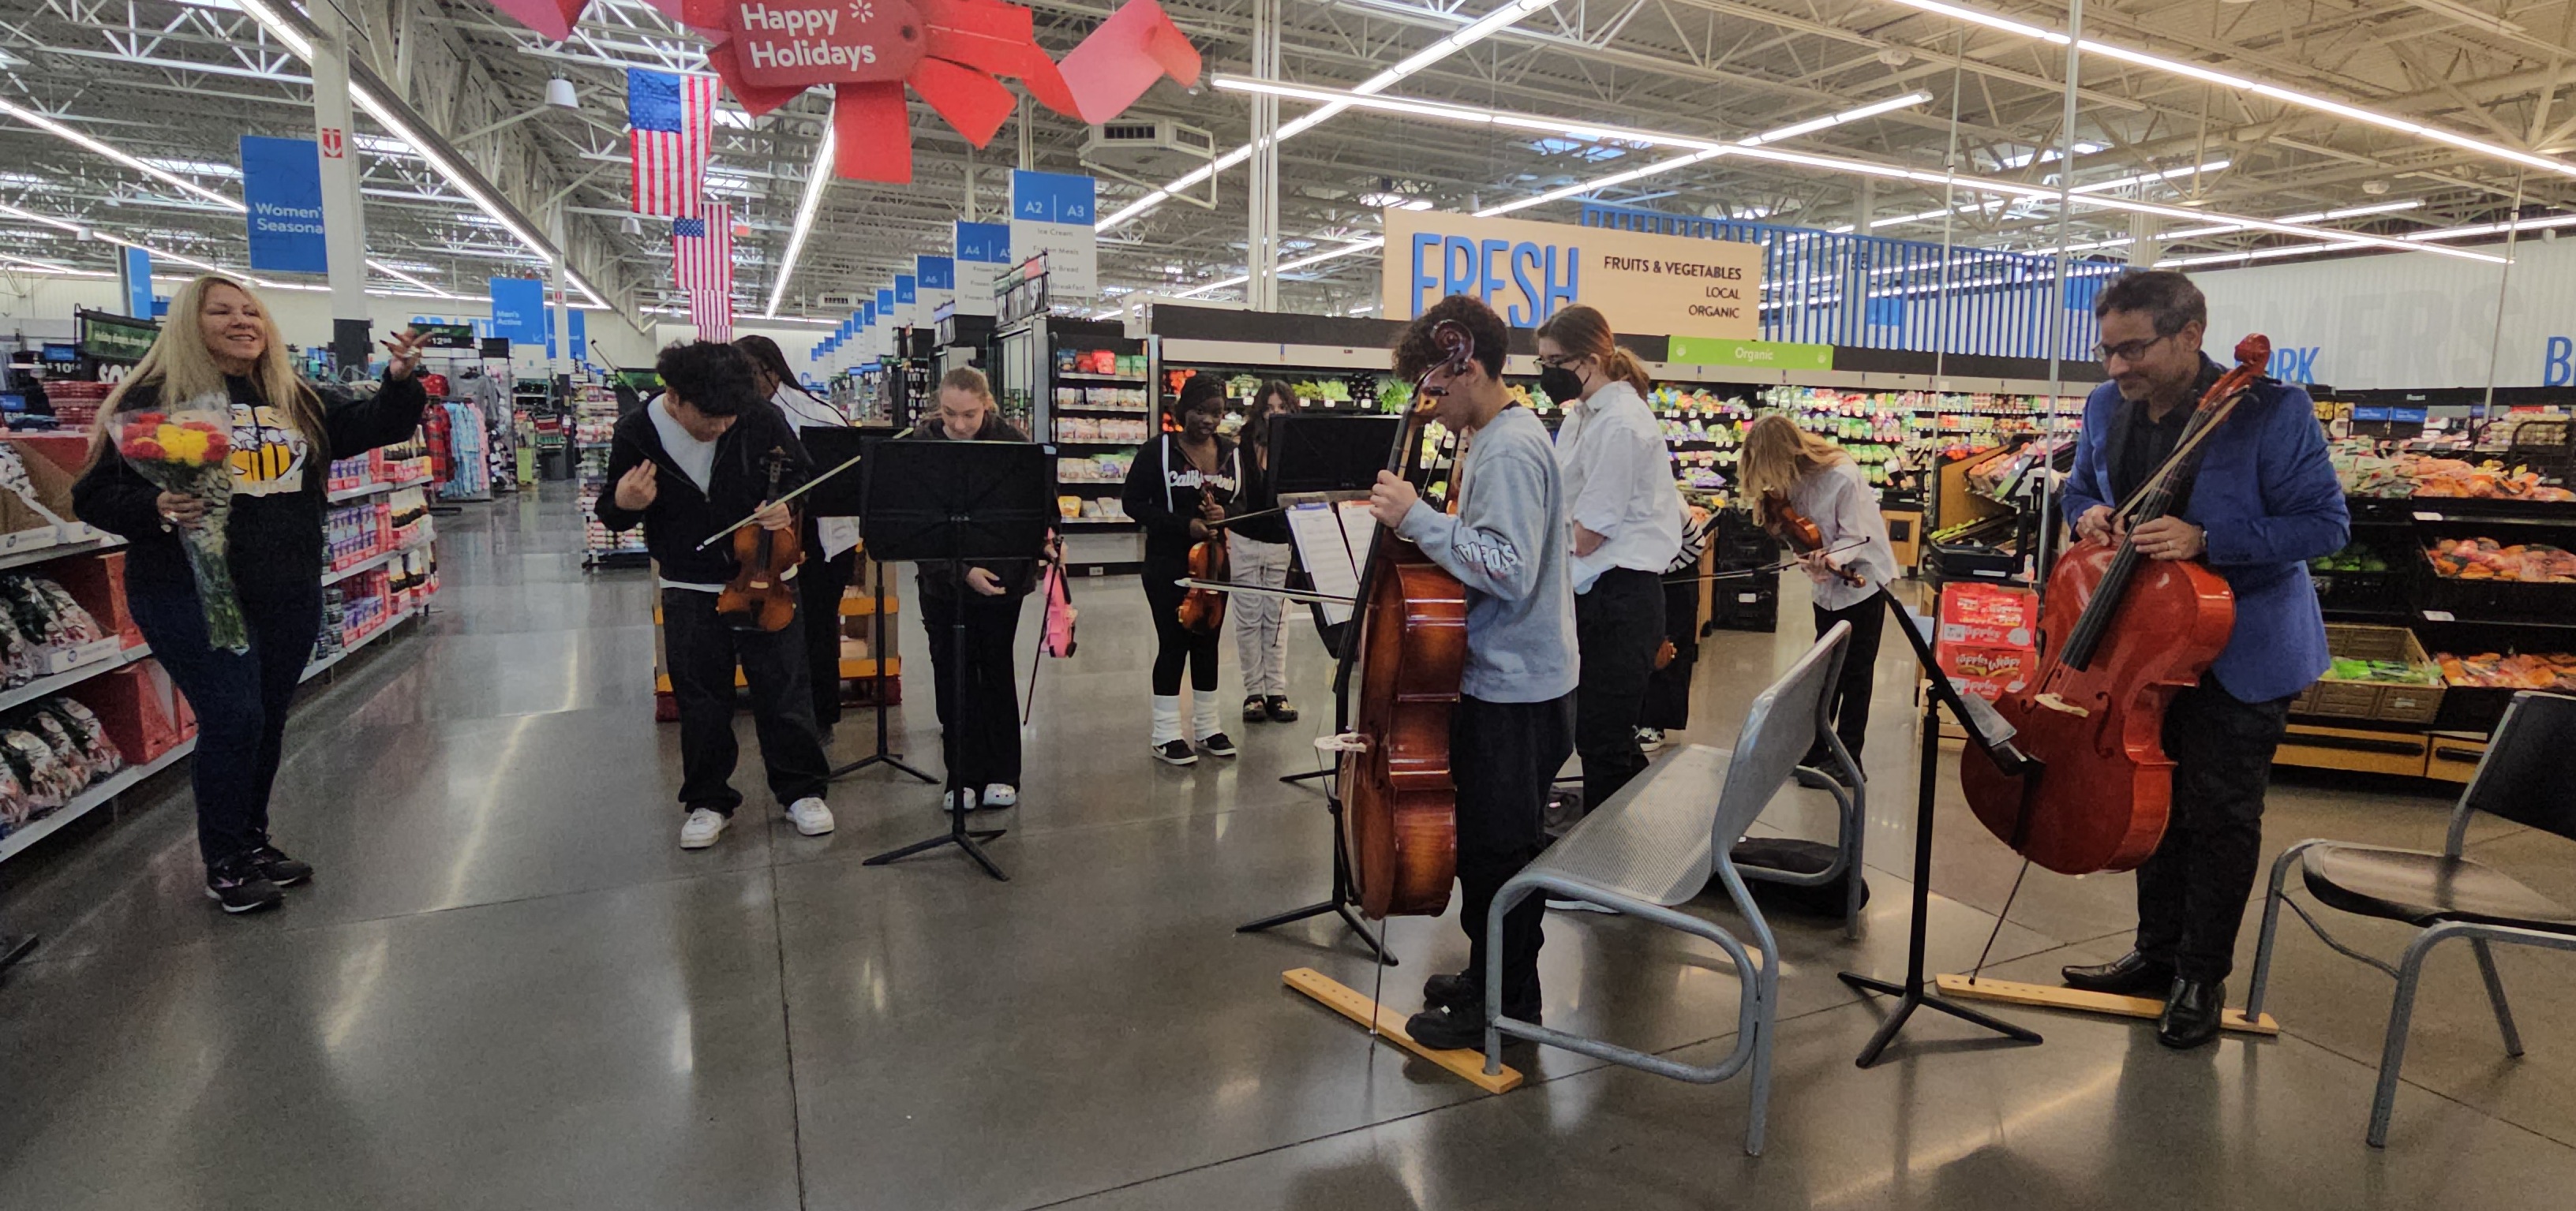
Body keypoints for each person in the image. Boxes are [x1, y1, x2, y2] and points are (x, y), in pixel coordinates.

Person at [2053, 270, 2347, 1049]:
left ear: (2190, 335)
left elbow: (2325, 525)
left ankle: (2200, 975)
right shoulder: (2105, 405)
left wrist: (2207, 541)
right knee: (2151, 797)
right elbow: (2077, 486)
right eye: (2106, 350)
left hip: (2240, 646)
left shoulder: (2271, 410)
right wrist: (2087, 514)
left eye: (2134, 348)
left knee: (2218, 814)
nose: (2117, 368)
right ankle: (2156, 954)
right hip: (2144, 644)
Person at [70, 274, 430, 914]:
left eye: (251, 312)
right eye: (221, 312)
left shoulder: (293, 398)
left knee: (263, 718)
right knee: (234, 715)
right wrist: (155, 504)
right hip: (196, 590)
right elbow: (93, 494)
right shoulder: (163, 400)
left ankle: (252, 842)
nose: (242, 322)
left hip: (285, 586)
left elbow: (374, 423)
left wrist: (401, 381)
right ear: (190, 323)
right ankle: (225, 861)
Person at [1366, 295, 1578, 1052]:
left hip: (1516, 689)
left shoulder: (1512, 448)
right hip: (1508, 677)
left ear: (1472, 367)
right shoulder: (1491, 435)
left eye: (1436, 387)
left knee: (1501, 852)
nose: (1431, 402)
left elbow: (1509, 570)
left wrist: (1416, 516)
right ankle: (1492, 974)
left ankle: (1508, 1004)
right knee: (1492, 845)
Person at [594, 341, 835, 850]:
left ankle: (801, 790)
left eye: (730, 418)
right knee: (701, 697)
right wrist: (623, 501)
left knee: (785, 688)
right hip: (688, 584)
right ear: (675, 397)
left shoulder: (755, 415)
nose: (723, 427)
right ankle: (708, 799)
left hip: (766, 574)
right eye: (711, 419)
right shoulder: (636, 432)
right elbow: (610, 512)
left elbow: (801, 473)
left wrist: (781, 503)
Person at [1536, 305, 1683, 813]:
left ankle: (1621, 860)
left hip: (1620, 598)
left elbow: (1589, 533)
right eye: (1542, 362)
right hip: (1593, 593)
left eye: (1555, 361)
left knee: (1605, 740)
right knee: (1589, 733)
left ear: (1592, 357)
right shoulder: (1581, 416)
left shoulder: (1621, 423)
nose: (1546, 374)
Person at [1738, 413, 1899, 782]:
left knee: (1856, 673)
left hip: (1863, 581)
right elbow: (1799, 528)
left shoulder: (1840, 475)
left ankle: (1848, 759)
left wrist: (1829, 559)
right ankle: (1816, 748)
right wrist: (1788, 538)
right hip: (1825, 586)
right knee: (1825, 672)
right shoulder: (1791, 480)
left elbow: (1856, 537)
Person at [905, 368, 1039, 810]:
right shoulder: (922, 447)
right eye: (949, 414)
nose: (959, 425)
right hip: (944, 583)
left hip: (1002, 579)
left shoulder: (1015, 445)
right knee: (952, 674)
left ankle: (1004, 772)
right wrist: (961, 571)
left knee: (996, 670)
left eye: (970, 415)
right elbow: (914, 525)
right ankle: (960, 775)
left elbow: (1036, 512)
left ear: (987, 405)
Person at [736, 334, 860, 734]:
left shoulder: (814, 413)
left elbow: (842, 480)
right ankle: (782, 711)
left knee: (818, 629)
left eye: (747, 372)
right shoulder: (740, 414)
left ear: (770, 371)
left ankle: (821, 715)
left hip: (820, 543)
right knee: (772, 628)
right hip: (764, 544)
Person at [1122, 373, 1239, 764]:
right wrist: (1181, 525)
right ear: (1181, 411)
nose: (1208, 420)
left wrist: (1227, 514)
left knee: (1208, 643)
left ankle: (1208, 727)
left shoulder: (1230, 452)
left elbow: (1245, 502)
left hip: (1216, 564)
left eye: (1217, 412)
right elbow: (1133, 502)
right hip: (1167, 563)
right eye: (1200, 411)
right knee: (1174, 643)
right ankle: (1166, 734)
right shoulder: (1158, 451)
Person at [1230, 379, 1299, 724]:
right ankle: (1253, 692)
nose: (1275, 414)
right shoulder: (1241, 445)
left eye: (1281, 408)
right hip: (1243, 538)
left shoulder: (1297, 447)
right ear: (1259, 410)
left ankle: (1277, 691)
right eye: (1269, 408)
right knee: (1247, 618)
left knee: (1277, 618)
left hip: (1280, 542)